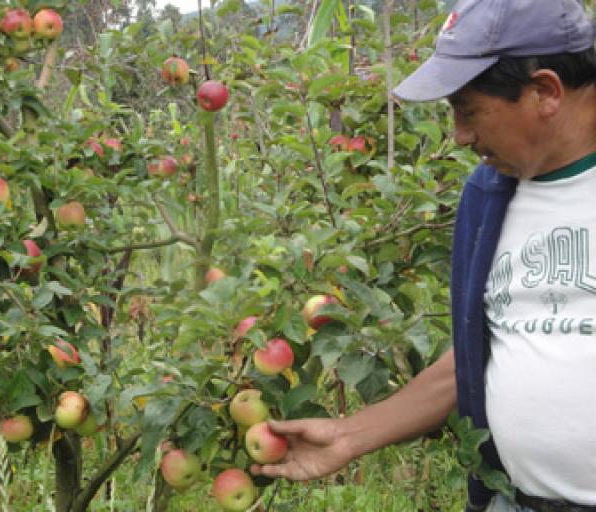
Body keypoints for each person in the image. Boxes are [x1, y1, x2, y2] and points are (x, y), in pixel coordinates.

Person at [250, 1, 596, 511]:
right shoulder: (489, 197)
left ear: (545, 91)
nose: (458, 136)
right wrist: (350, 436)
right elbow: (479, 353)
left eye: (468, 110)